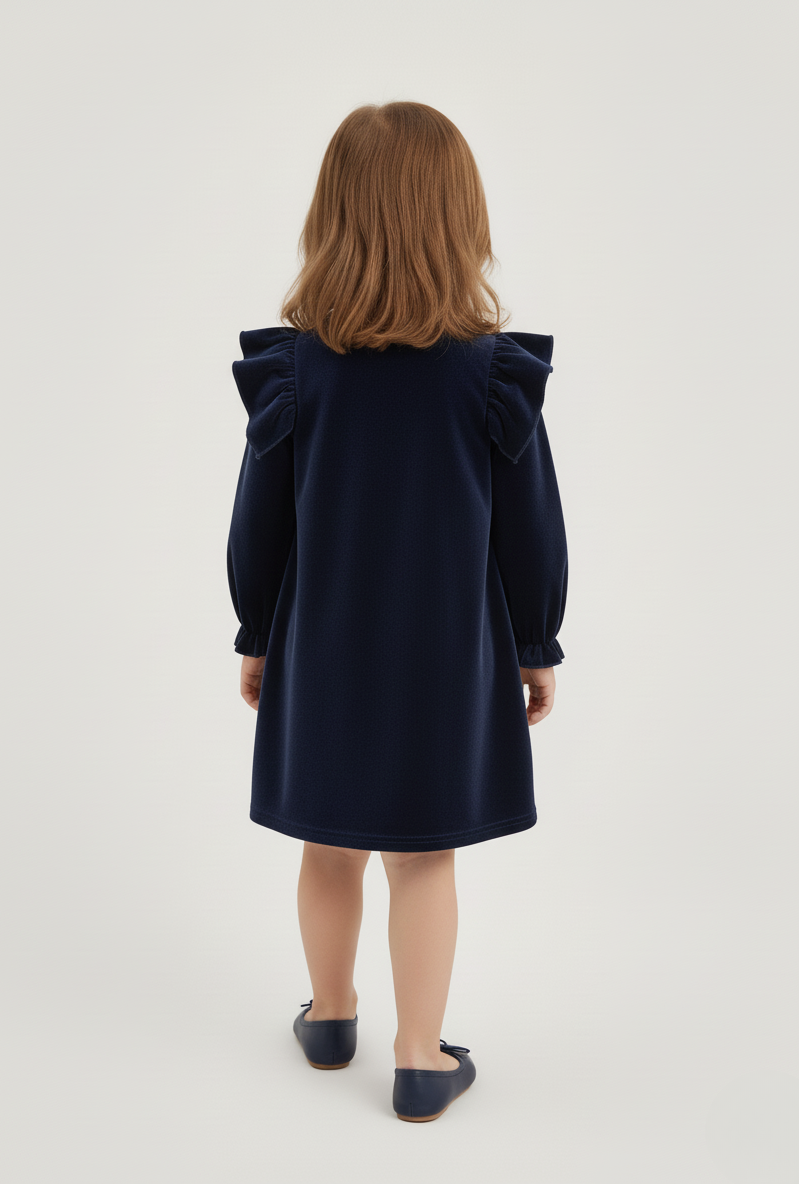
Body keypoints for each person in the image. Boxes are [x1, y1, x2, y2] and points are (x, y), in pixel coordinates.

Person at [226, 101, 568, 1122]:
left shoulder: (295, 372)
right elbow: (531, 531)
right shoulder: (492, 375)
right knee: (424, 857)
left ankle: (331, 1016)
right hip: (445, 656)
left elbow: (257, 527)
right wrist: (536, 643)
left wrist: (256, 635)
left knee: (328, 843)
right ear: (459, 219)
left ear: (331, 218)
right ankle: (420, 1058)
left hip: (323, 649)